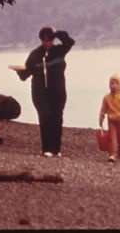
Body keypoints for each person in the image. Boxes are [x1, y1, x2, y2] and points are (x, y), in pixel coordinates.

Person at [16, 26, 75, 157]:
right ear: (41, 40)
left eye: (49, 40)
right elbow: (25, 75)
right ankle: (46, 149)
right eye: (44, 40)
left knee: (57, 118)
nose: (46, 43)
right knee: (45, 117)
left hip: (58, 92)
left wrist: (57, 32)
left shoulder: (60, 51)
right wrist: (19, 72)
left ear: (53, 40)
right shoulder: (35, 55)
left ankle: (56, 149)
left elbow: (70, 42)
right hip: (40, 93)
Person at [98, 74, 120, 163]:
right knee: (112, 138)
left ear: (119, 85)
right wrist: (101, 118)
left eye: (116, 83)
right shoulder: (107, 98)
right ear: (109, 85)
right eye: (112, 83)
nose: (114, 85)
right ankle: (112, 155)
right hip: (112, 120)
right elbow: (103, 109)